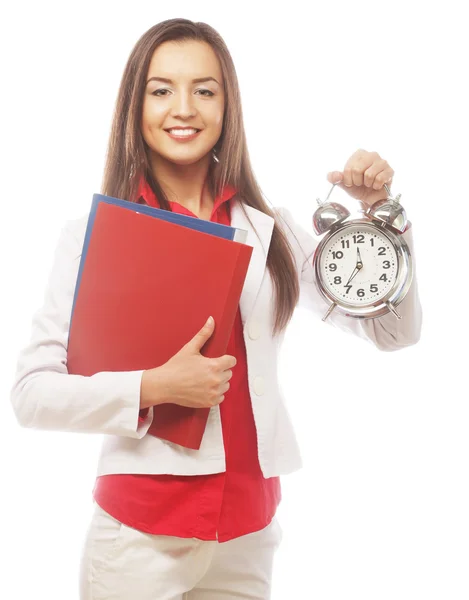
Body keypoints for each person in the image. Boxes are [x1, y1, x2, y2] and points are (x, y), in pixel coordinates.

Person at [9, 18, 422, 600]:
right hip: (139, 538)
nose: (184, 108)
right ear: (136, 105)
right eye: (161, 90)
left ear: (228, 107)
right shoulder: (93, 237)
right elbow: (31, 395)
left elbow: (392, 331)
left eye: (205, 89)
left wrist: (382, 218)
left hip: (249, 532)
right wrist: (152, 386)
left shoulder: (269, 230)